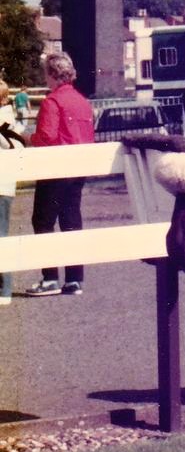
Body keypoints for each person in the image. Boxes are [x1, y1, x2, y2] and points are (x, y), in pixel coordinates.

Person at [26, 52, 95, 298]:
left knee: (43, 221)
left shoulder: (51, 101)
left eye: (46, 73)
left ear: (53, 75)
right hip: (78, 170)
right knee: (71, 221)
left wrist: (28, 138)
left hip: (55, 169)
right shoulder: (82, 101)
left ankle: (50, 277)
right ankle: (75, 279)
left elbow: (46, 136)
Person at [0, 79, 26, 307]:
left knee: (1, 237)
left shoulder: (5, 120)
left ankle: (5, 287)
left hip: (1, 187)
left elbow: (12, 145)